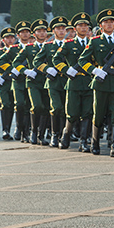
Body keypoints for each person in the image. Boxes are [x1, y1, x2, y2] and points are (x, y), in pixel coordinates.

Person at [78, 9, 114, 157]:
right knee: (98, 114)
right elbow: (82, 60)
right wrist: (94, 70)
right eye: (106, 22)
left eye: (112, 22)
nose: (109, 24)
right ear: (101, 25)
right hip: (101, 82)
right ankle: (95, 143)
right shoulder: (94, 41)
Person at [53, 12, 94, 152]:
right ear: (75, 29)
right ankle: (66, 135)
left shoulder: (92, 43)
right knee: (72, 112)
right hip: (74, 81)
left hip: (89, 81)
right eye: (80, 26)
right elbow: (56, 59)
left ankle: (84, 141)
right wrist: (66, 70)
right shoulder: (69, 44)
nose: (83, 28)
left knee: (87, 112)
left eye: (86, 26)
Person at [12, 19, 50, 146]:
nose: (42, 33)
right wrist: (26, 71)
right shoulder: (29, 48)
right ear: (35, 34)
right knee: (37, 106)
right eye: (39, 31)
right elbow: (16, 63)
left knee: (45, 108)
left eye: (44, 31)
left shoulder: (52, 46)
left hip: (47, 81)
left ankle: (41, 135)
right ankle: (32, 132)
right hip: (33, 82)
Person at [33, 16, 69, 147]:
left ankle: (64, 135)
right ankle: (54, 134)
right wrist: (47, 69)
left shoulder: (70, 44)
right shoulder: (48, 46)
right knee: (56, 107)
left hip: (67, 80)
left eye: (63, 29)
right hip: (53, 82)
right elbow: (36, 61)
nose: (61, 31)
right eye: (58, 29)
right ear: (53, 31)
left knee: (66, 109)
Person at [0, 21, 33, 142]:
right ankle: (18, 128)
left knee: (29, 106)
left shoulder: (34, 47)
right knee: (20, 105)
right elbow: (1, 61)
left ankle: (26, 132)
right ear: (18, 35)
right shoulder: (13, 49)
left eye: (27, 32)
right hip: (17, 81)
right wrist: (12, 70)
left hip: (31, 80)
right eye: (22, 32)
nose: (25, 34)